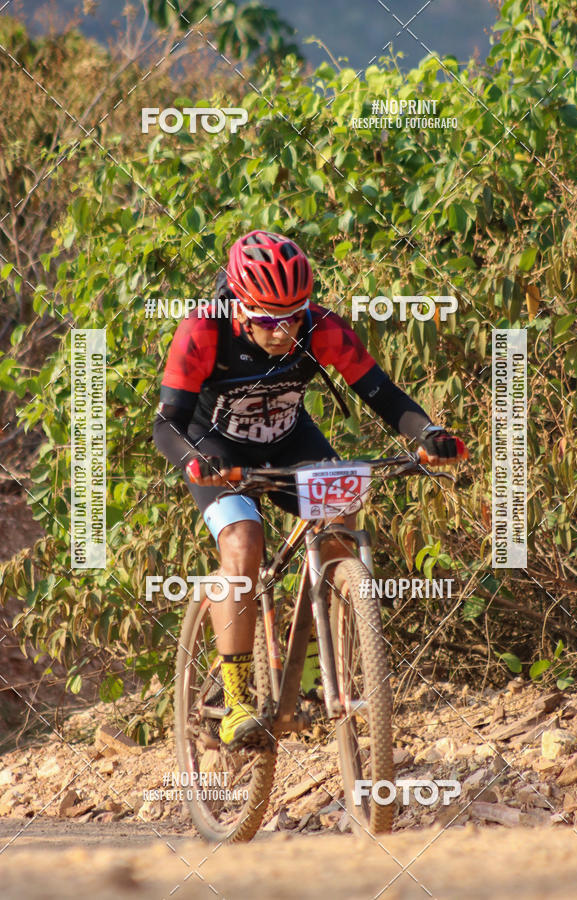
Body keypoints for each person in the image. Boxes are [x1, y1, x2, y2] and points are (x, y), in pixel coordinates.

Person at [153, 230, 464, 749]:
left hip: (289, 441)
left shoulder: (320, 327)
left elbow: (381, 393)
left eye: (293, 316)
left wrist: (428, 435)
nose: (283, 331)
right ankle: (234, 701)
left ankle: (329, 665)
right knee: (243, 542)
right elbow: (167, 424)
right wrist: (197, 459)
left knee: (342, 517)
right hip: (217, 453)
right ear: (238, 305)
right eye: (269, 319)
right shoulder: (203, 330)